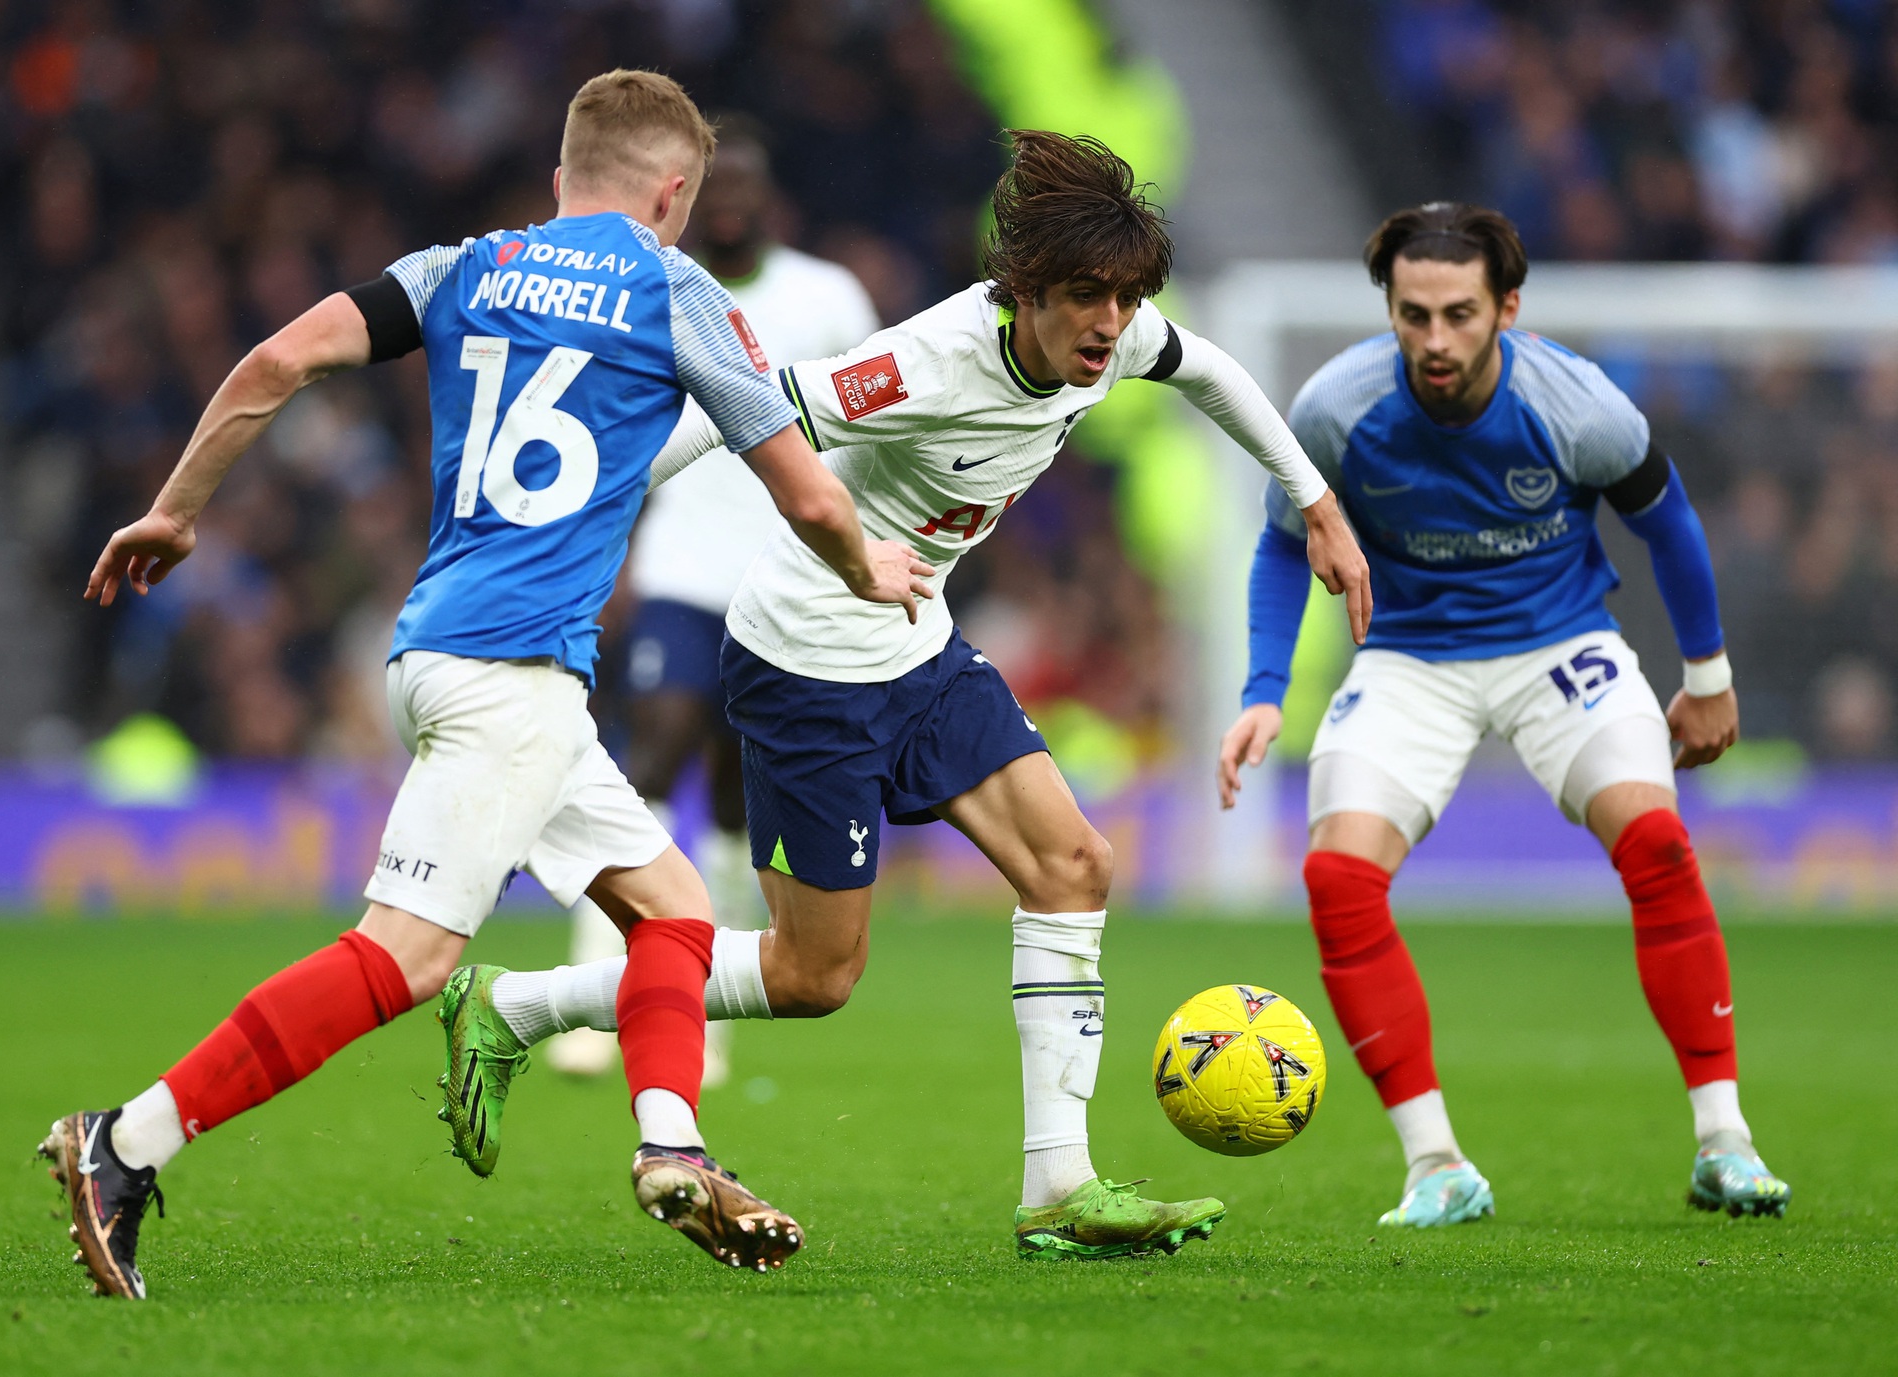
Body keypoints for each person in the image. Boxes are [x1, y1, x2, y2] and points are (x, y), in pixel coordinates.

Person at [39, 69, 931, 1296]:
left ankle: (672, 1146)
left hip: (452, 655)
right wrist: (866, 561)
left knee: (672, 913)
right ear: (675, 195)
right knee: (400, 961)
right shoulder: (679, 293)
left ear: (562, 178)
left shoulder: (459, 265)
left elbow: (270, 363)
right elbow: (806, 486)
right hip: (504, 677)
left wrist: (174, 512)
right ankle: (126, 1142)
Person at [443, 131, 1372, 1260]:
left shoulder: (1111, 340)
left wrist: (1314, 502)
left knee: (1072, 865)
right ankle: (522, 1005)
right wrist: (580, 534)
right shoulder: (924, 363)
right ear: (1022, 292)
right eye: (1085, 297)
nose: (1109, 324)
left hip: (917, 647)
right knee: (812, 976)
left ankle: (1058, 1189)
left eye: (1126, 299)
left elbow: (1212, 370)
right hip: (804, 666)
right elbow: (746, 405)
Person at [1215, 201, 1791, 1227]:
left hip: (1557, 648)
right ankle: (1434, 1165)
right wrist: (1263, 692)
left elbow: (1670, 528)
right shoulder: (1332, 410)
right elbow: (1278, 544)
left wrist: (1707, 679)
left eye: (1458, 315)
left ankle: (1723, 1141)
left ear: (1506, 310)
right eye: (1412, 315)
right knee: (1335, 878)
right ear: (1387, 310)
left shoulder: (1579, 408)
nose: (1434, 341)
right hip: (1408, 661)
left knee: (1654, 843)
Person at [548, 119, 880, 1085]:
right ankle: (593, 991)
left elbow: (873, 422)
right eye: (712, 185)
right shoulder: (654, 289)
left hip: (784, 579)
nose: (728, 199)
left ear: (769, 195)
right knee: (648, 753)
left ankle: (705, 1009)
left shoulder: (828, 297)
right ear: (683, 194)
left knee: (741, 800)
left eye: (745, 183)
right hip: (684, 572)